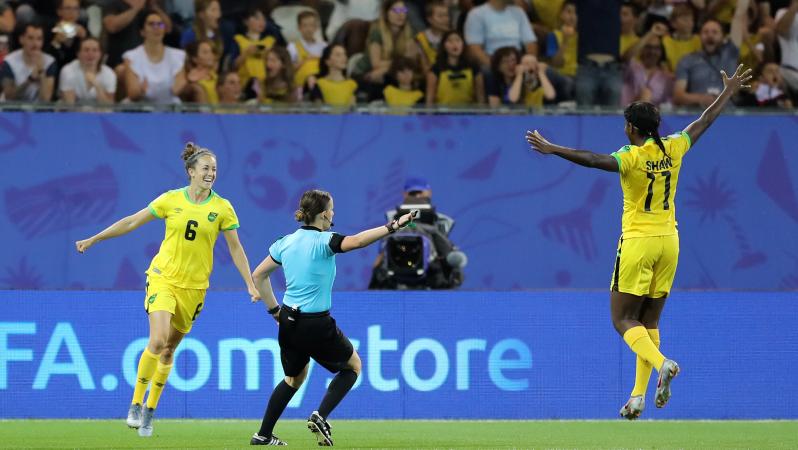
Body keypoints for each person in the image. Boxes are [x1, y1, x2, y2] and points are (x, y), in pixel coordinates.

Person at [525, 64, 752, 420]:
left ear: (632, 127)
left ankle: (664, 364)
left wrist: (553, 148)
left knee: (622, 319)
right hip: (670, 242)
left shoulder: (631, 156)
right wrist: (727, 91)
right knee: (649, 323)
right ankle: (637, 397)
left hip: (638, 243)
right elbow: (704, 121)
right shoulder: (674, 148)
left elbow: (592, 160)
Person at [75, 142, 260, 437]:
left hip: (195, 289)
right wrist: (95, 239)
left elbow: (236, 249)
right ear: (190, 172)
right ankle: (135, 404)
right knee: (158, 339)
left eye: (214, 169)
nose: (211, 173)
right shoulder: (171, 200)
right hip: (163, 278)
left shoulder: (222, 207)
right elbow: (132, 221)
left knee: (170, 349)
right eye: (205, 168)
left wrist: (250, 283)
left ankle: (150, 410)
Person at [249, 189, 417, 446]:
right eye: (332, 209)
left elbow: (258, 276)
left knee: (293, 379)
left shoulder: (284, 242)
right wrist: (394, 225)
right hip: (316, 324)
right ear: (324, 214)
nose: (334, 214)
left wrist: (275, 312)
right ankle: (320, 415)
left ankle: (262, 435)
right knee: (353, 367)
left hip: (289, 324)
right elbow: (359, 241)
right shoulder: (325, 241)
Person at [673, 0, 747, 107]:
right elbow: (678, 96)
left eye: (715, 32)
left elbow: (739, 15)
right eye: (705, 32)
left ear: (723, 37)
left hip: (729, 115)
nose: (710, 36)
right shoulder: (687, 60)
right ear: (699, 36)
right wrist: (701, 99)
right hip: (698, 116)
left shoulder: (730, 53)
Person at [122, 11, 185, 104]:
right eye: (151, 24)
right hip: (140, 107)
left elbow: (178, 87)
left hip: (169, 106)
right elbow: (132, 93)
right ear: (142, 31)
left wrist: (185, 82)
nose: (157, 28)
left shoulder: (178, 55)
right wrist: (141, 91)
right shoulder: (131, 56)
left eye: (160, 24)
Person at [0, 22, 56, 102]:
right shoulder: (9, 61)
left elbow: (45, 99)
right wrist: (30, 79)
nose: (35, 43)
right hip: (12, 111)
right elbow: (9, 96)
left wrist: (41, 72)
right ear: (21, 39)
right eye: (30, 38)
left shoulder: (49, 61)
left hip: (37, 111)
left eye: (39, 39)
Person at [426, 30, 484, 106]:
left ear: (463, 44)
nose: (454, 44)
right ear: (443, 46)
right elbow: (430, 98)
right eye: (450, 41)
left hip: (468, 113)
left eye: (458, 40)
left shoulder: (474, 67)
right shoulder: (436, 69)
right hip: (443, 114)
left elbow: (480, 96)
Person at [59, 37, 117, 104]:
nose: (90, 54)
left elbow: (108, 107)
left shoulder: (109, 74)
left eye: (95, 50)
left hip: (99, 113)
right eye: (86, 50)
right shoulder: (67, 71)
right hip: (74, 112)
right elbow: (69, 105)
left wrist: (97, 85)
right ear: (78, 54)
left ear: (101, 54)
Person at [287, 10, 326, 93]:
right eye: (305, 26)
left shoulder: (324, 46)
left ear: (316, 27)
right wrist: (304, 61)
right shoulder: (292, 47)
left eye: (312, 25)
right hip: (300, 85)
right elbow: (288, 70)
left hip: (320, 81)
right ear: (299, 28)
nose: (309, 29)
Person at [173, 39, 219, 104]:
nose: (210, 55)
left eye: (211, 51)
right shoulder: (192, 78)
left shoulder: (213, 74)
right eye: (205, 52)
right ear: (195, 59)